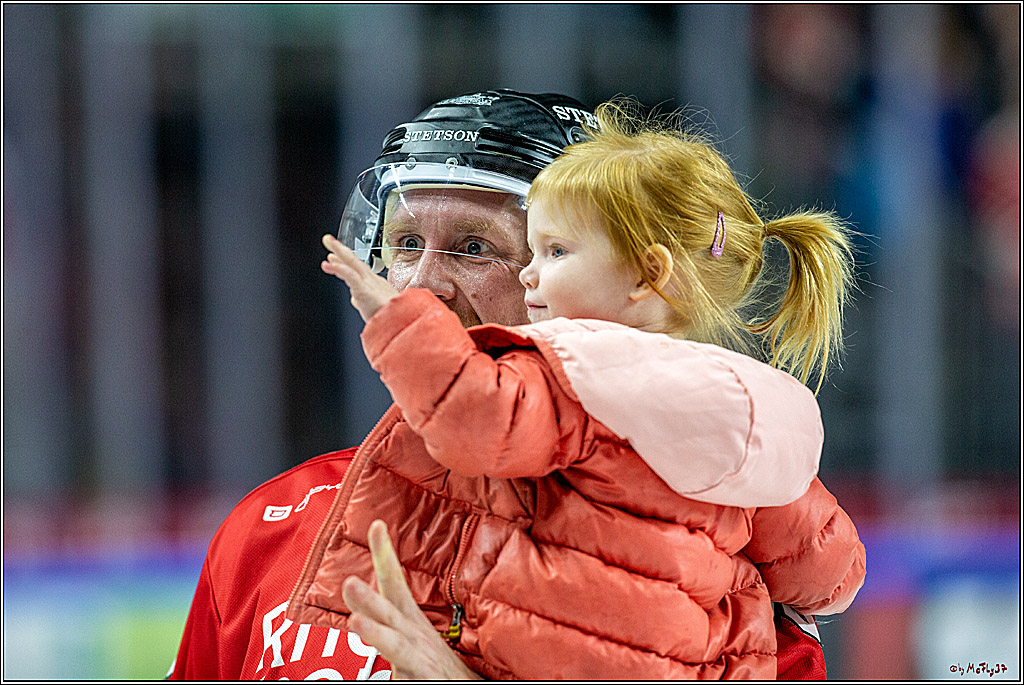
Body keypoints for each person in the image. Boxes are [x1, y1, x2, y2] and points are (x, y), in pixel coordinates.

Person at [168, 90, 851, 681]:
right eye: (405, 243)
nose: (421, 285)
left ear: (607, 288)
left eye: (474, 247)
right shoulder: (268, 527)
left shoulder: (710, 534)